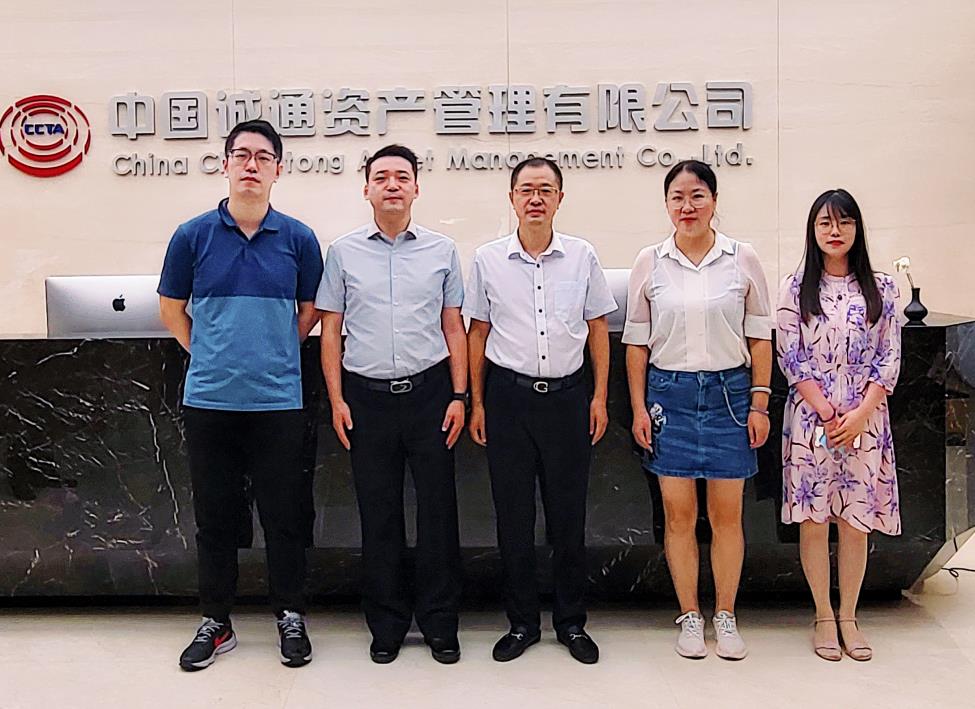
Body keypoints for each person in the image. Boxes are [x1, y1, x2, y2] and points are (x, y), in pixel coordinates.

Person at [158, 119, 323, 671]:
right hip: (210, 400)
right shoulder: (192, 235)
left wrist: (276, 350)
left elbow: (310, 312)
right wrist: (208, 352)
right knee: (215, 519)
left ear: (279, 170)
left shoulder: (298, 239)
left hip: (278, 402)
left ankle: (290, 614)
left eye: (263, 157)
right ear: (225, 164)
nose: (252, 165)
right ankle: (216, 621)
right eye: (242, 155)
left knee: (285, 517)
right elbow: (171, 308)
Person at [316, 144, 467, 665]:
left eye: (402, 176)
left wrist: (459, 395)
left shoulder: (442, 250)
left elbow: (454, 327)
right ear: (367, 190)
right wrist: (337, 399)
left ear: (417, 188)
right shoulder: (342, 252)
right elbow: (330, 330)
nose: (392, 185)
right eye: (381, 177)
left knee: (438, 514)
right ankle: (386, 625)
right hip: (366, 399)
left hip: (431, 396)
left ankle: (441, 623)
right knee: (378, 515)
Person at [465, 157, 617, 665]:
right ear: (512, 198)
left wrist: (599, 397)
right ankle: (522, 623)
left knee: (568, 518)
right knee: (513, 518)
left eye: (545, 190)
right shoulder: (487, 259)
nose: (535, 198)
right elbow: (477, 333)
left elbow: (597, 328)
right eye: (526, 190)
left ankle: (571, 623)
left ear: (559, 199)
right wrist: (477, 403)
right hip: (507, 400)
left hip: (570, 399)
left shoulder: (582, 256)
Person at [622, 159, 772, 660]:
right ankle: (689, 616)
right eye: (677, 197)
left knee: (727, 516)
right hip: (670, 396)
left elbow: (760, 335)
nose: (687, 206)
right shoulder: (650, 261)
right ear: (667, 205)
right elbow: (636, 344)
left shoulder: (741, 257)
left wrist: (760, 402)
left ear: (714, 201)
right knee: (678, 515)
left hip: (730, 394)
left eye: (697, 196)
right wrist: (639, 408)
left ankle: (725, 615)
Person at [777, 188, 901, 662]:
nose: (835, 231)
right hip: (813, 422)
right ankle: (823, 616)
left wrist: (861, 413)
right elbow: (791, 357)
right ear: (812, 230)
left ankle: (849, 616)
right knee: (814, 521)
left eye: (844, 222)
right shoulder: (795, 287)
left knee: (855, 522)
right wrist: (828, 412)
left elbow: (889, 358)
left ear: (857, 229)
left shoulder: (883, 288)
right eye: (825, 223)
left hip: (865, 420)